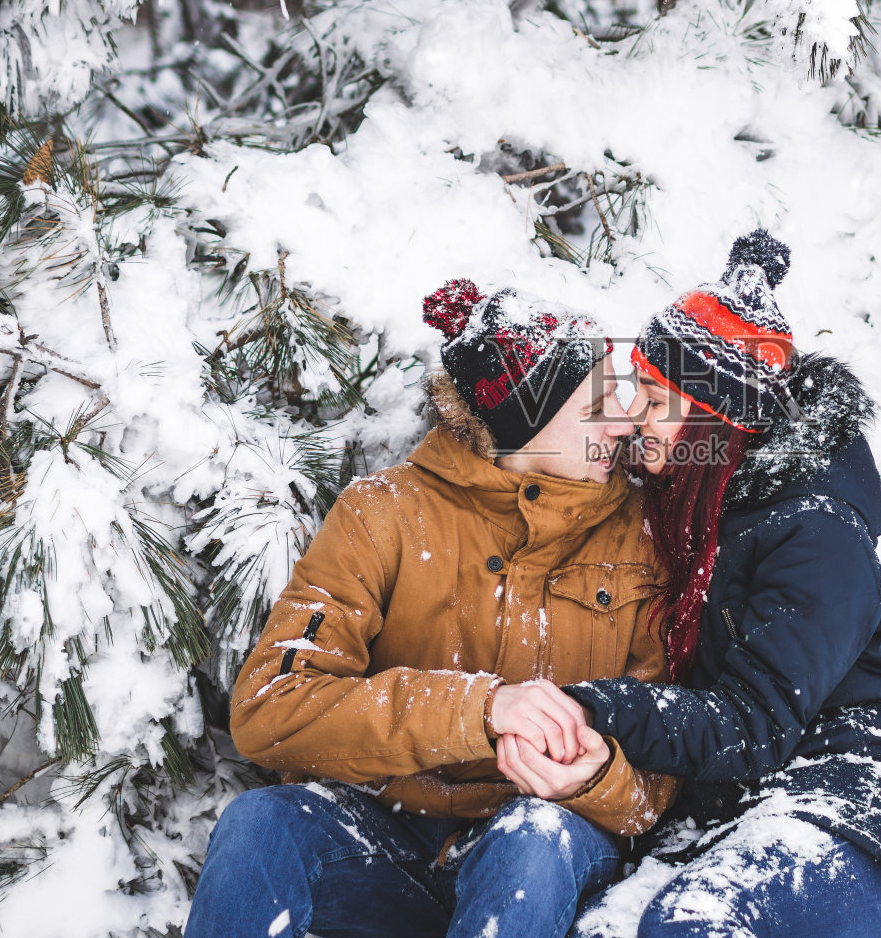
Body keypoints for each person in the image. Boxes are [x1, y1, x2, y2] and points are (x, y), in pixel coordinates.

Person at [184, 279, 679, 938]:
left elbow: (663, 769)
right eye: (596, 402)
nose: (622, 422)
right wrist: (477, 709)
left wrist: (598, 777)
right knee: (261, 824)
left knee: (530, 838)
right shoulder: (381, 514)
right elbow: (269, 707)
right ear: (528, 421)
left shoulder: (643, 534)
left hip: (546, 854)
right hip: (388, 843)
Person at [508, 229, 881, 938]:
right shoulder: (688, 503)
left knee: (695, 924)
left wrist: (595, 709)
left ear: (713, 413)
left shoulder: (817, 532)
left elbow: (752, 723)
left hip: (842, 798)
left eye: (655, 398)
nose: (631, 416)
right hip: (718, 810)